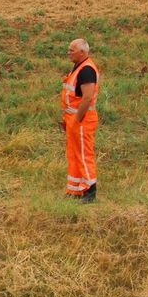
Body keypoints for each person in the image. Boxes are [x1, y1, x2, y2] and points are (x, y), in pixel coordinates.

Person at [61, 38, 100, 202]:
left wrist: (77, 119)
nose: (68, 53)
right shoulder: (78, 67)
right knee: (75, 154)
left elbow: (87, 98)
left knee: (84, 154)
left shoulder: (86, 70)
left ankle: (90, 192)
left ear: (82, 52)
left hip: (82, 119)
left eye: (72, 50)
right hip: (74, 118)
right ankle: (76, 189)